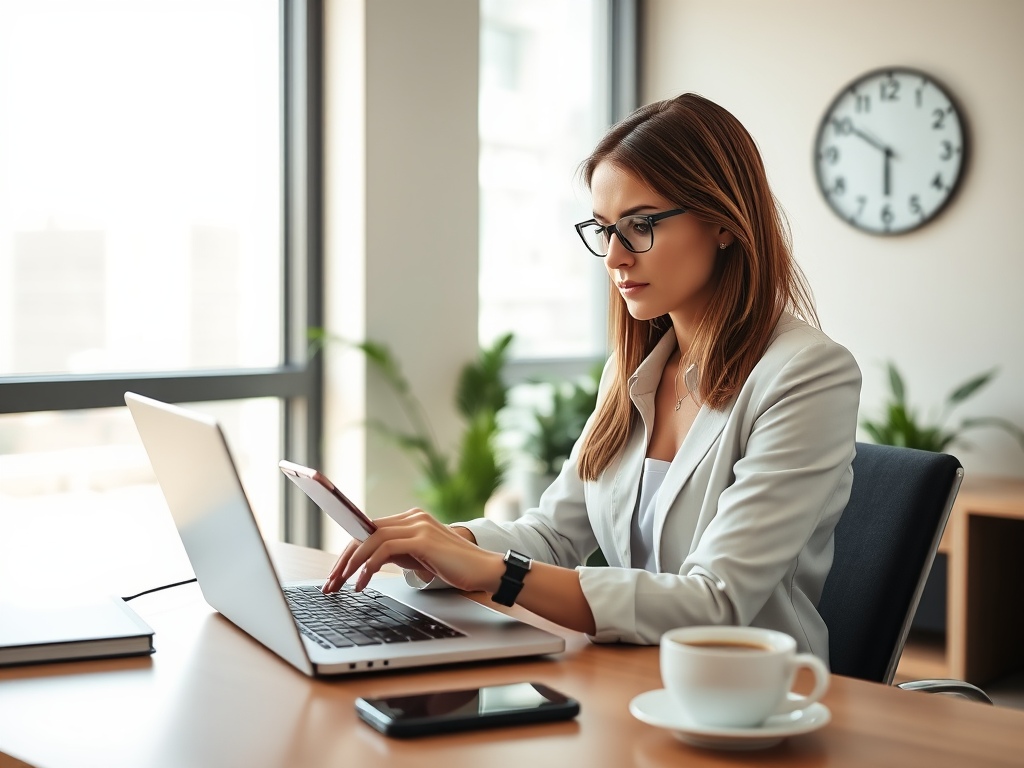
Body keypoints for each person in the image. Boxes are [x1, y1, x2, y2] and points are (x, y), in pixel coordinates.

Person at [322, 93, 861, 663]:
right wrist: (447, 545)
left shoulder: (806, 374)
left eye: (640, 225)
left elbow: (715, 602)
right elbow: (555, 536)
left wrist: (495, 573)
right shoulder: (632, 374)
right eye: (604, 230)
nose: (614, 257)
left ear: (723, 224)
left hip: (751, 702)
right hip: (633, 679)